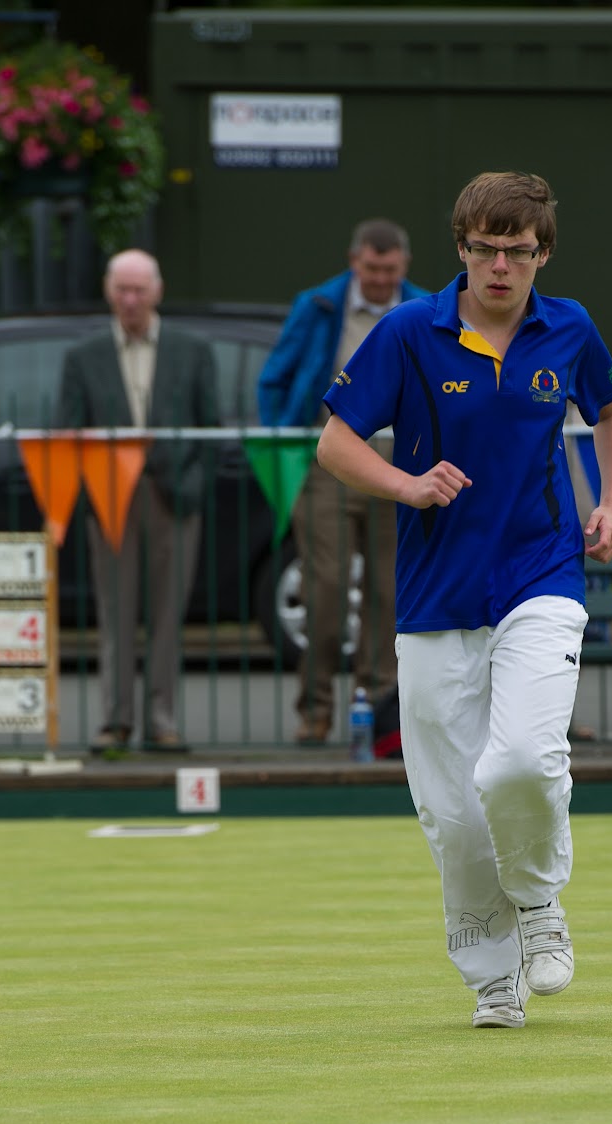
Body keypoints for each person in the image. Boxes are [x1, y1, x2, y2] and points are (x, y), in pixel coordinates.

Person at [317, 170, 612, 1029]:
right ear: (461, 249)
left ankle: (538, 907)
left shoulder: (568, 327)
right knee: (452, 811)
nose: (501, 266)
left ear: (542, 254)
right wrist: (407, 485)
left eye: (518, 251)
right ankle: (491, 977)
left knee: (522, 761)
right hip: (434, 596)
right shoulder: (409, 331)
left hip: (541, 574)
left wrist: (607, 501)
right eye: (485, 249)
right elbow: (336, 444)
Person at [257, 219, 427, 745]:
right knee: (324, 586)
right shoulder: (319, 306)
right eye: (372, 269)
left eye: (390, 271)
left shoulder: (424, 309)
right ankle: (315, 707)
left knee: (388, 591)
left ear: (404, 268)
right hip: (327, 460)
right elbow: (275, 376)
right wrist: (285, 434)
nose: (380, 279)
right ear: (355, 262)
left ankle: (378, 711)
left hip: (398, 463)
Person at [59, 249, 217, 754]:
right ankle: (116, 721)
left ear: (157, 291)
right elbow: (68, 432)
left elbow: (213, 429)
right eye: (122, 290)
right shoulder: (82, 357)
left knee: (169, 612)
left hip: (173, 494)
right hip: (109, 498)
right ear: (109, 292)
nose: (130, 300)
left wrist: (193, 484)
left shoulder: (192, 350)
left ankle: (162, 719)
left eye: (139, 290)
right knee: (115, 610)